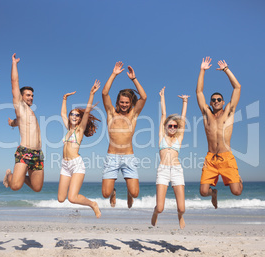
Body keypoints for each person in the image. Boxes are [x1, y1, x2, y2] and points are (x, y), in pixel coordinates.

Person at [196, 57, 243, 209]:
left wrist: (226, 70)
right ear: (210, 103)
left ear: (223, 102)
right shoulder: (206, 114)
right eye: (213, 100)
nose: (216, 101)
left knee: (236, 192)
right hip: (211, 158)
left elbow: (237, 88)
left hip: (226, 157)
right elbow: (199, 92)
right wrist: (202, 70)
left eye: (219, 99)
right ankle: (213, 193)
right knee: (203, 192)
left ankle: (238, 179)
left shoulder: (229, 112)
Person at [101, 61, 147, 208]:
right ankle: (114, 192)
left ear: (130, 103)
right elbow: (104, 93)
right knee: (105, 194)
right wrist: (114, 74)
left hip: (128, 157)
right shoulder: (111, 114)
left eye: (127, 102)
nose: (124, 105)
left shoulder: (133, 115)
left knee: (135, 193)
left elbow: (144, 97)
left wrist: (134, 79)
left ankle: (128, 192)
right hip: (112, 157)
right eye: (122, 102)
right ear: (118, 102)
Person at [58, 80, 102, 218]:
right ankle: (90, 204)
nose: (74, 116)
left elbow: (88, 109)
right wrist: (64, 99)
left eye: (77, 115)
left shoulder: (79, 130)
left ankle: (92, 204)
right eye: (73, 114)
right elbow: (63, 114)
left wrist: (91, 94)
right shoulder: (68, 129)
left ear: (80, 118)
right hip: (65, 164)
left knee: (72, 198)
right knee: (60, 198)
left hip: (76, 164)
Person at [3, 53, 44, 192]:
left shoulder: (28, 112)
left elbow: (19, 122)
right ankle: (10, 176)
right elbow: (14, 83)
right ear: (21, 97)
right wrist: (14, 64)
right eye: (28, 95)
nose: (31, 97)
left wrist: (12, 123)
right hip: (25, 151)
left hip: (38, 153)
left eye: (32, 95)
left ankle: (16, 177)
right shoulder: (20, 106)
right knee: (15, 186)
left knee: (37, 187)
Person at [151, 87, 188, 229]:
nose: (172, 127)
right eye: (170, 125)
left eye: (174, 126)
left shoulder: (179, 137)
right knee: (160, 208)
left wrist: (185, 102)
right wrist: (162, 97)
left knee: (182, 208)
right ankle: (155, 213)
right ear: (166, 126)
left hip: (177, 170)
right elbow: (163, 114)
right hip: (163, 170)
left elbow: (183, 119)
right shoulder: (162, 137)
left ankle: (180, 216)